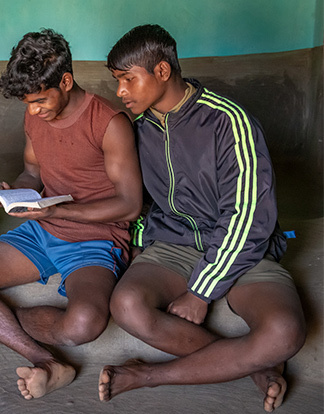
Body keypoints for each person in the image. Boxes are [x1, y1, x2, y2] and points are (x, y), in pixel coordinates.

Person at [98, 25, 306, 413]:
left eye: (128, 79)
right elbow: (138, 202)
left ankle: (148, 375)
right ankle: (255, 367)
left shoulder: (229, 122)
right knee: (126, 304)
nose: (120, 92)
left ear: (161, 71)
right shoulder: (138, 129)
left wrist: (200, 292)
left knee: (284, 332)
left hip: (244, 252)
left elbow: (251, 218)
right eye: (117, 81)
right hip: (174, 244)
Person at [0, 29, 142, 400]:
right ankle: (46, 361)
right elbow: (31, 172)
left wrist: (64, 211)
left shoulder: (110, 123)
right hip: (41, 228)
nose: (33, 111)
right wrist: (15, 192)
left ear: (65, 81)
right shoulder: (34, 117)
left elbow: (130, 204)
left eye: (39, 100)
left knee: (85, 323)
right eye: (27, 103)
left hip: (94, 237)